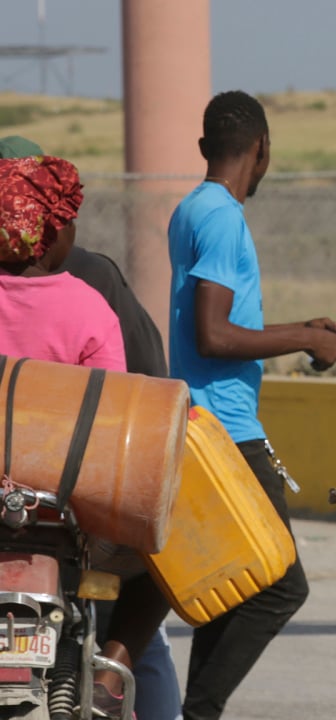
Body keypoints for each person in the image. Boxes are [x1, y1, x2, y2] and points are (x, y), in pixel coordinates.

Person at [167, 90, 336, 720]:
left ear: (203, 149)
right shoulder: (222, 219)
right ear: (263, 149)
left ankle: (198, 711)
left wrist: (302, 328)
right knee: (278, 585)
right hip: (226, 432)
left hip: (204, 421)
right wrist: (304, 340)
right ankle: (200, 712)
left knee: (236, 584)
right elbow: (212, 336)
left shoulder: (193, 207)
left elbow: (219, 324)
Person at [1, 135, 181, 720]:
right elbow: (112, 422)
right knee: (158, 560)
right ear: (54, 233)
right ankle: (110, 669)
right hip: (65, 514)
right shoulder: (88, 305)